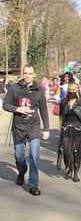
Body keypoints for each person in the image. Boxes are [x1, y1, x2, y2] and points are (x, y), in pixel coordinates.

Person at [3, 65, 50, 196]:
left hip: (34, 127)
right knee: (19, 156)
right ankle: (22, 171)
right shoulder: (15, 88)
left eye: (30, 73)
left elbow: (44, 110)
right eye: (26, 73)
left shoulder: (39, 88)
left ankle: (33, 184)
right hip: (18, 127)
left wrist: (46, 129)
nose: (28, 75)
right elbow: (5, 104)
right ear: (23, 74)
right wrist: (18, 109)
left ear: (34, 74)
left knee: (34, 156)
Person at [58, 81, 81, 182]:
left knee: (77, 152)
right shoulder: (63, 102)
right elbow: (60, 115)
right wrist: (61, 128)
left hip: (78, 129)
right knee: (67, 151)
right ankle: (68, 167)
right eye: (70, 90)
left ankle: (75, 171)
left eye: (74, 90)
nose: (72, 92)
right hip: (66, 128)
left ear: (77, 90)